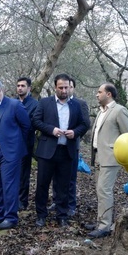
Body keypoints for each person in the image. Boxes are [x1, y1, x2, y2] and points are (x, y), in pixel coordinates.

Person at [33, 73, 89, 227]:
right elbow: (36, 121)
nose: (64, 90)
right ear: (55, 87)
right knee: (42, 184)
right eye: (61, 87)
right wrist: (51, 130)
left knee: (64, 185)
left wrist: (75, 132)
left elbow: (84, 124)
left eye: (66, 87)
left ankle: (62, 215)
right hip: (47, 151)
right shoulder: (45, 103)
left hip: (67, 150)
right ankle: (41, 215)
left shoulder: (76, 105)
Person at [0, 79, 31, 230]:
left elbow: (26, 127)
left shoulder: (14, 105)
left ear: (2, 90)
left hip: (9, 152)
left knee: (9, 185)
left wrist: (16, 147)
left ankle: (11, 218)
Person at [87, 83, 128, 239]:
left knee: (104, 190)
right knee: (100, 190)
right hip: (98, 156)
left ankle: (105, 226)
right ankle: (101, 220)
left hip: (111, 157)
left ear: (109, 94)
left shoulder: (119, 111)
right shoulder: (101, 112)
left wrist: (119, 151)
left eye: (100, 92)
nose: (97, 95)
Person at [16, 76, 38, 212]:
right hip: (11, 144)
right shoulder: (12, 103)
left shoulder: (34, 104)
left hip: (26, 144)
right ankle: (12, 199)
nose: (20, 88)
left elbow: (32, 124)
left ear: (29, 88)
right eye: (18, 85)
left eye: (23, 86)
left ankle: (22, 201)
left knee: (24, 173)